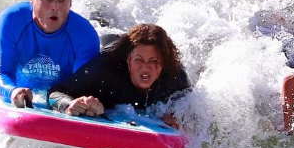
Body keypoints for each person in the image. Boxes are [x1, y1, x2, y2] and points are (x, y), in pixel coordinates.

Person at [0, 0, 101, 107]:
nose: (55, 6)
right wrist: (12, 91)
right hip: (20, 91)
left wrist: (77, 103)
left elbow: (80, 89)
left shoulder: (86, 35)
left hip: (62, 95)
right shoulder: (11, 21)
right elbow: (3, 74)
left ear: (71, 1)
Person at [49, 23, 190, 128]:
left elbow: (192, 108)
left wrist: (177, 116)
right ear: (128, 60)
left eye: (153, 61)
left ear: (163, 64)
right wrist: (69, 104)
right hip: (108, 41)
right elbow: (55, 92)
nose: (145, 68)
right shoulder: (105, 69)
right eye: (138, 60)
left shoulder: (175, 77)